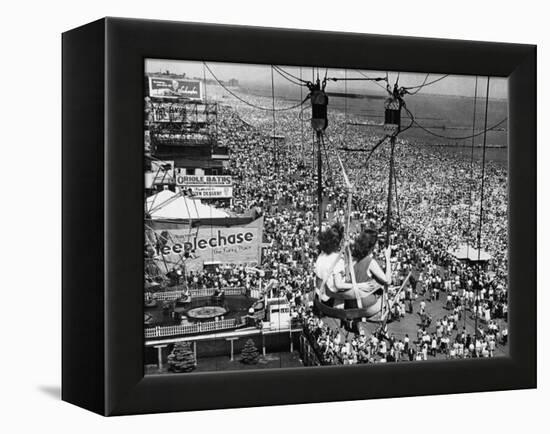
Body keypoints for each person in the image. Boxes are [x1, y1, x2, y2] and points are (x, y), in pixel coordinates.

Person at [314, 223, 374, 309]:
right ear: (339, 242)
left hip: (319, 293)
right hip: (330, 299)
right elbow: (339, 285)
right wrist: (360, 285)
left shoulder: (321, 255)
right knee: (356, 290)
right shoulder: (337, 260)